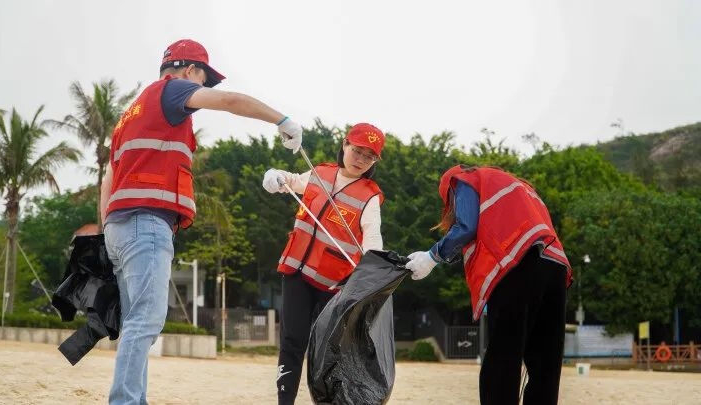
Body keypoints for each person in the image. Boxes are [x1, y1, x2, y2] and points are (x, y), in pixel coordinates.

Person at [99, 39, 303, 405]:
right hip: (147, 222)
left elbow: (108, 178)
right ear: (190, 70)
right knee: (145, 321)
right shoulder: (173, 89)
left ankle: (133, 400)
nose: (202, 89)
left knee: (136, 322)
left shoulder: (129, 115)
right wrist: (281, 120)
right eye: (202, 80)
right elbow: (230, 101)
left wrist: (106, 232)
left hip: (119, 225)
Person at [404, 164, 573, 405]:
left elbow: (466, 227)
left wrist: (432, 257)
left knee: (504, 355)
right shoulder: (522, 187)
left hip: (519, 263)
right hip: (556, 265)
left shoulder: (463, 179)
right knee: (545, 361)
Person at [261, 123, 386, 405]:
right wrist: (277, 176)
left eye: (369, 156)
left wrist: (373, 272)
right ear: (344, 145)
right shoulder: (319, 173)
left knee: (328, 351)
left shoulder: (370, 197)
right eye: (357, 151)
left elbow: (373, 239)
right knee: (292, 341)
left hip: (333, 286)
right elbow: (292, 182)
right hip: (297, 274)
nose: (361, 159)